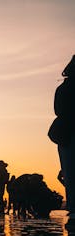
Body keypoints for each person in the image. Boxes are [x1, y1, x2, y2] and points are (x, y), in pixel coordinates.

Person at [50, 55, 75, 222]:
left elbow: (57, 110)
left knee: (70, 174)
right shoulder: (66, 89)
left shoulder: (62, 88)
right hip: (68, 135)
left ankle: (73, 212)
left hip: (65, 136)